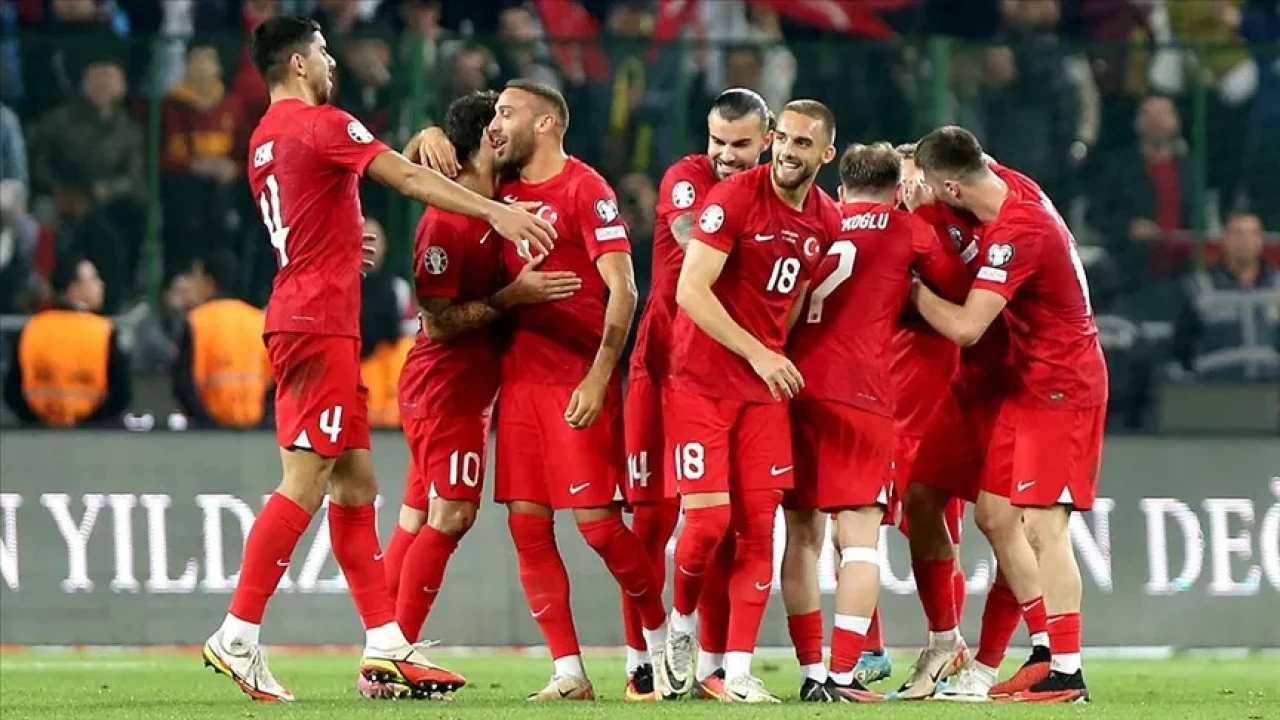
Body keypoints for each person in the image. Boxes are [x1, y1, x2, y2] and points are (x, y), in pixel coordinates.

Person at [201, 16, 555, 703]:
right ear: (299, 64)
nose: (330, 62)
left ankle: (387, 642)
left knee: (356, 487)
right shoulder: (321, 123)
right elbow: (405, 176)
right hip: (316, 324)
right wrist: (495, 213)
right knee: (306, 480)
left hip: (310, 314)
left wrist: (339, 247)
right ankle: (237, 634)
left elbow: (307, 215)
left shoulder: (265, 137)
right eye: (323, 51)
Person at [362, 90, 583, 699]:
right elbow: (437, 323)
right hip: (445, 387)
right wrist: (514, 297)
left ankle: (380, 655)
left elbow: (427, 151)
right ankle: (394, 655)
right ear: (488, 137)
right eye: (501, 121)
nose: (509, 129)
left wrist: (426, 133)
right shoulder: (446, 221)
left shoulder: (500, 192)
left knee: (416, 518)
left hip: (475, 385)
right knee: (453, 514)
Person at [485, 79, 671, 702]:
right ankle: (569, 672)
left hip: (576, 380)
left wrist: (598, 375)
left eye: (507, 112)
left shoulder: (586, 190)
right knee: (527, 529)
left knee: (599, 529)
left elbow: (625, 288)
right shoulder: (501, 189)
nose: (497, 124)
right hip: (520, 381)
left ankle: (663, 641)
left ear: (545, 123)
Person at [910, 126, 1108, 704]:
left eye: (931, 186)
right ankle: (1045, 653)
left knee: (1045, 527)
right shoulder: (1011, 186)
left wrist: (913, 288)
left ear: (951, 186)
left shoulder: (1019, 230)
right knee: (997, 517)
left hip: (1062, 386)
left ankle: (1067, 671)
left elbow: (967, 327)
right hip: (1030, 384)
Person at [660, 100, 842, 704]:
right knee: (708, 523)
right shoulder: (734, 197)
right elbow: (691, 289)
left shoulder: (826, 219)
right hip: (701, 380)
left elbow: (794, 300)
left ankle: (735, 672)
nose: (788, 151)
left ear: (826, 154)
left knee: (760, 530)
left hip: (763, 394)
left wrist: (773, 354)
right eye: (783, 138)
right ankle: (680, 622)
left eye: (802, 143)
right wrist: (761, 353)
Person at [782, 141, 976, 703]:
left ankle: (811, 672)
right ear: (897, 192)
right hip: (862, 395)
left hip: (795, 387)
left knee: (803, 536)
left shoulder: (816, 222)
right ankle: (845, 672)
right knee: (860, 537)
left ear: (841, 188)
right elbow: (958, 284)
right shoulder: (907, 229)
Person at [620, 87, 772, 702]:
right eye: (718, 141)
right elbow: (692, 238)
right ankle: (642, 660)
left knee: (719, 524)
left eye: (740, 144)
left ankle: (710, 664)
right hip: (659, 365)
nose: (726, 155)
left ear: (766, 142)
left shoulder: (776, 198)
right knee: (652, 520)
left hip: (723, 374)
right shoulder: (686, 177)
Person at [850, 143, 977, 686]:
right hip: (881, 407)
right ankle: (871, 650)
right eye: (898, 185)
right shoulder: (889, 238)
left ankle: (945, 646)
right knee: (848, 528)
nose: (904, 194)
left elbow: (965, 302)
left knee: (936, 535)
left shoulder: (935, 240)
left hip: (930, 411)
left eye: (912, 183)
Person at [4, 255, 130, 427]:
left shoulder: (31, 330)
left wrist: (38, 424)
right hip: (94, 435)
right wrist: (87, 425)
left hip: (37, 435)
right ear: (73, 290)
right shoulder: (103, 332)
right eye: (93, 279)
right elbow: (121, 395)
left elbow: (12, 393)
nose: (101, 285)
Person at [172, 250, 271, 429]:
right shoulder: (259, 321)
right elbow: (278, 382)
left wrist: (206, 423)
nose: (193, 285)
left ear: (209, 282)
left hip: (209, 432)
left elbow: (183, 384)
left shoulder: (196, 321)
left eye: (196, 279)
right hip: (256, 429)